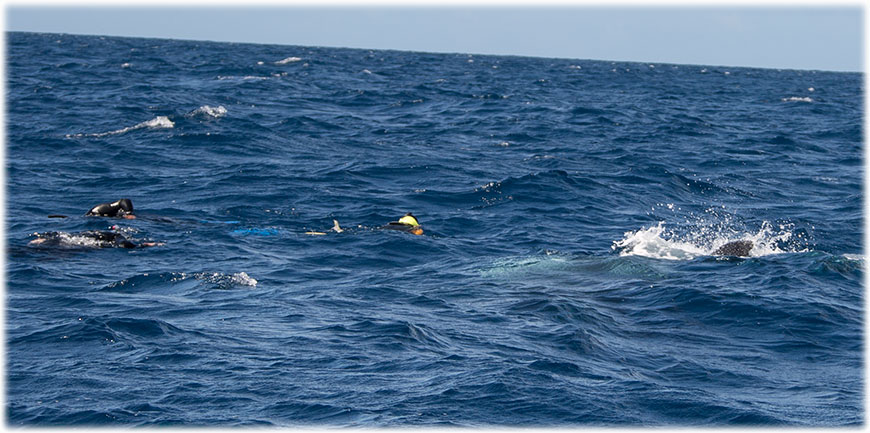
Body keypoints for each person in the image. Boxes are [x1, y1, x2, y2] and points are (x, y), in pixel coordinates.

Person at [29, 230, 160, 248]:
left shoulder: (100, 233)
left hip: (66, 239)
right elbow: (125, 245)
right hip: (72, 244)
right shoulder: (116, 238)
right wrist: (145, 245)